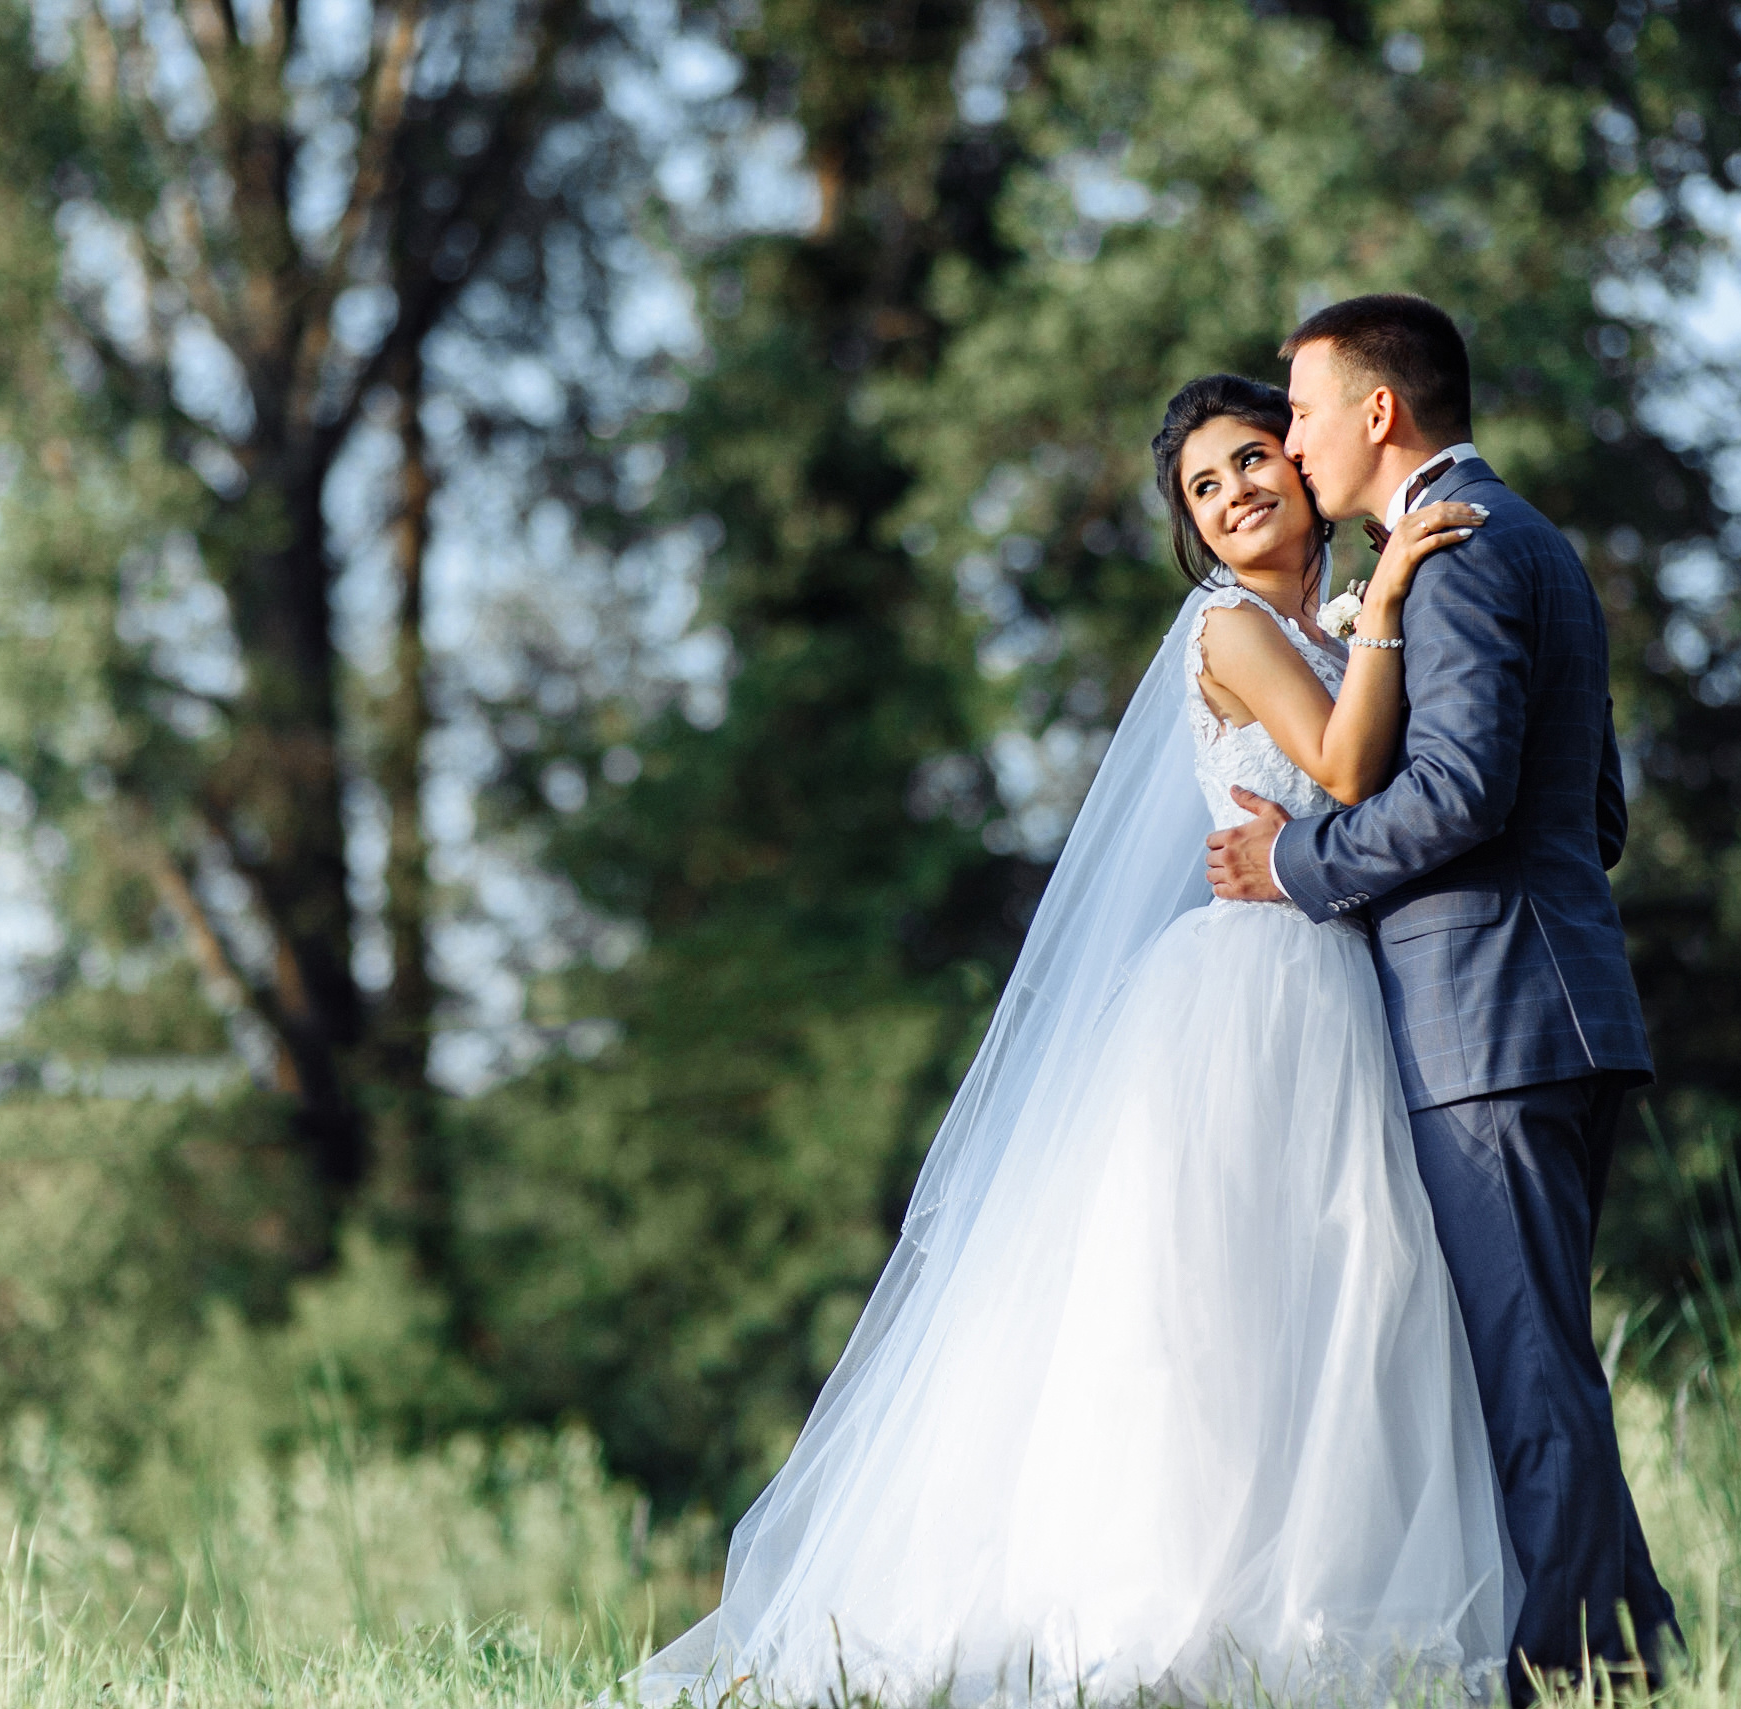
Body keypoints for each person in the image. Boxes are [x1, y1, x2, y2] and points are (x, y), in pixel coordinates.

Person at [629, 371, 1514, 1706]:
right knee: (1208, 1303)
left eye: (1253, 460)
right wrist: (1385, 603)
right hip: (1246, 998)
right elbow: (1341, 769)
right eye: (1204, 489)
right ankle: (1167, 1601)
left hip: (1339, 993)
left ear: (1307, 458)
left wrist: (1368, 620)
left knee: (1337, 1288)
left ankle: (1312, 1598)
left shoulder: (1319, 624)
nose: (1235, 497)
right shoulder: (1230, 629)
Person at [1206, 293, 1679, 1696]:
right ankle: (1629, 1650)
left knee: (1527, 1374)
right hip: (1558, 1002)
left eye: (1297, 410)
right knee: (1543, 1363)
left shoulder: (1457, 551)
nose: (1287, 441)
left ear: (1378, 411)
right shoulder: (1533, 538)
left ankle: (1589, 1670)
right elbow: (1593, 812)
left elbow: (1463, 796)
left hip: (1487, 1023)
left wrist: (1297, 858)